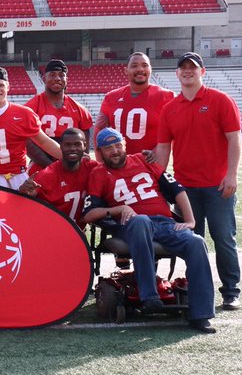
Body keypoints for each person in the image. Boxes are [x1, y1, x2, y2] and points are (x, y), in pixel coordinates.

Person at [84, 127, 216, 334]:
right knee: (141, 220)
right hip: (130, 226)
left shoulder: (145, 160)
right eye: (109, 148)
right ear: (100, 152)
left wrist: (190, 221)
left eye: (118, 145)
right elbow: (89, 214)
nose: (115, 151)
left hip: (163, 223)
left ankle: (201, 314)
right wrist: (118, 209)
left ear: (124, 145)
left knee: (196, 242)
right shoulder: (98, 174)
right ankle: (149, 296)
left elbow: (177, 190)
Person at [154, 52, 242, 310]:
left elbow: (234, 139)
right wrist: (157, 181)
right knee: (192, 241)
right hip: (185, 188)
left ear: (202, 71)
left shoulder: (220, 100)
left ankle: (230, 291)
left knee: (223, 238)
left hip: (217, 186)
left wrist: (232, 174)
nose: (187, 71)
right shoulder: (170, 108)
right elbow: (163, 149)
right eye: (182, 68)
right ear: (177, 73)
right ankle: (197, 289)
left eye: (192, 67)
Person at [0, 65, 60, 190]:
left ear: (8, 87)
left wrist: (67, 157)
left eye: (1, 85)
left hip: (17, 176)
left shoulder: (24, 113)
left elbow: (44, 142)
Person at [96, 51, 174, 157]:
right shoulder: (111, 97)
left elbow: (175, 132)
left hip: (150, 165)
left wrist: (156, 152)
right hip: (119, 165)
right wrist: (101, 159)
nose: (140, 69)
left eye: (144, 65)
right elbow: (99, 130)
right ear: (126, 70)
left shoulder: (167, 96)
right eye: (134, 66)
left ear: (150, 69)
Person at [19, 128, 96, 228]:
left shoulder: (92, 168)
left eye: (77, 144)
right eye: (67, 145)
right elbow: (29, 194)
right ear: (61, 147)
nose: (72, 148)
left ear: (85, 146)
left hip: (78, 233)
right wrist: (25, 190)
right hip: (52, 230)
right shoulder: (48, 174)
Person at [25, 59, 93, 171]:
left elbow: (83, 148)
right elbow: (28, 144)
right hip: (41, 167)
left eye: (61, 75)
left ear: (66, 80)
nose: (57, 78)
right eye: (52, 75)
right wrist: (53, 168)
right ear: (44, 79)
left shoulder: (80, 110)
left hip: (72, 168)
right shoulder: (31, 107)